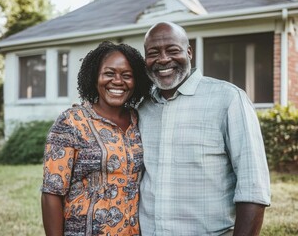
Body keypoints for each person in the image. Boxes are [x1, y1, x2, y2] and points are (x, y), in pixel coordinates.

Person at [138, 22, 271, 236]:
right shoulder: (141, 107)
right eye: (153, 53)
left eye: (172, 50)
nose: (163, 59)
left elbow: (253, 188)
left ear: (189, 52)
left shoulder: (228, 99)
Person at [41, 41, 152, 236]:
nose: (118, 81)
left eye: (127, 75)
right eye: (109, 73)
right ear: (94, 77)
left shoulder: (138, 120)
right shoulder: (72, 122)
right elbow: (52, 192)